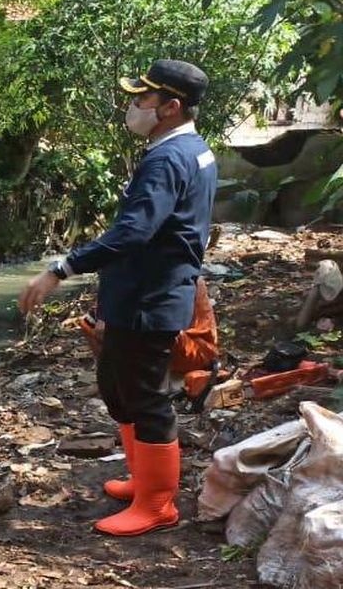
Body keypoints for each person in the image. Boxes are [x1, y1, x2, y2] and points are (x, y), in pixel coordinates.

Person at [19, 59, 216, 537]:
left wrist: (60, 269)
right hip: (140, 291)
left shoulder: (168, 158)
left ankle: (157, 504)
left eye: (142, 99)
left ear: (170, 108)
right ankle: (143, 478)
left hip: (151, 297)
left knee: (146, 397)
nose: (133, 106)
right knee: (118, 386)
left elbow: (133, 232)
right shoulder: (190, 150)